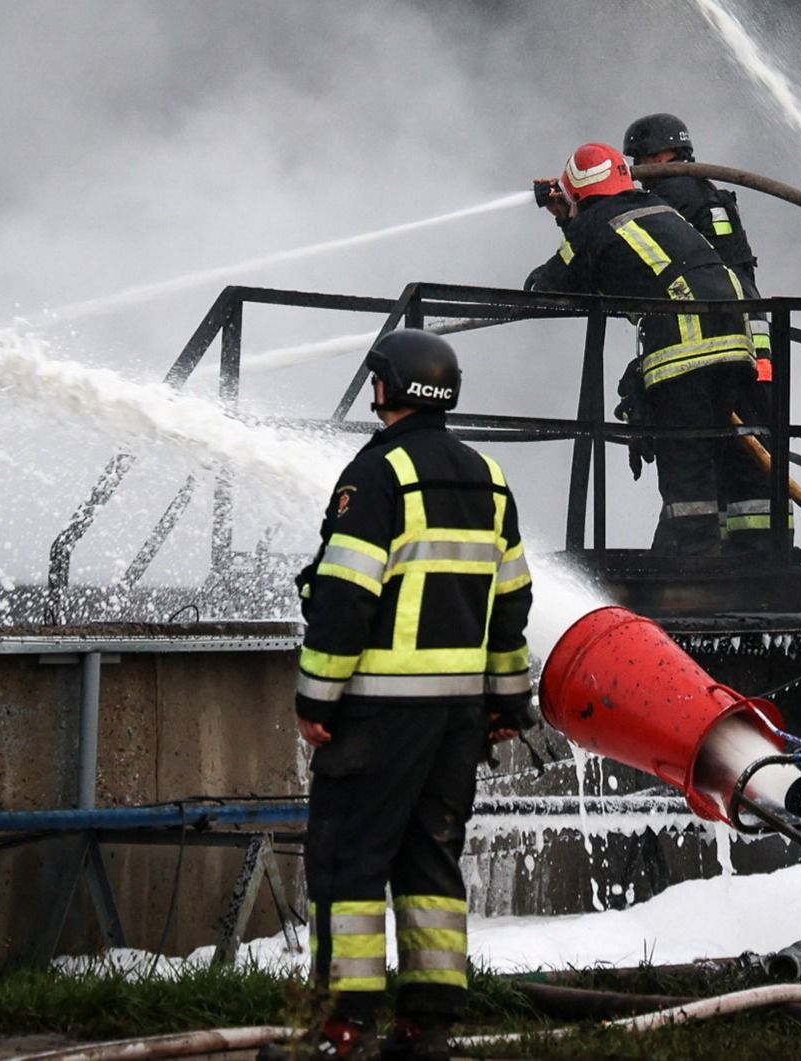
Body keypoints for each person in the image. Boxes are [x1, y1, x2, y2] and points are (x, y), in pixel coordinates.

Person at [278, 329, 533, 1060]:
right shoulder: (487, 475)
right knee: (431, 863)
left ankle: (341, 1030)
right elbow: (512, 599)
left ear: (386, 387)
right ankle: (427, 1029)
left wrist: (317, 698)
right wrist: (507, 700)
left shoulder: (379, 474)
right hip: (458, 718)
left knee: (347, 864)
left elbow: (344, 594)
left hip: (379, 713)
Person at [526, 141, 765, 556]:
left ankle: (696, 565)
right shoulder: (656, 208)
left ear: (578, 195)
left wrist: (567, 222)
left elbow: (545, 287)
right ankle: (746, 555)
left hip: (684, 347)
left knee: (686, 460)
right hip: (736, 342)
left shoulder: (591, 225)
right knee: (720, 450)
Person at [623, 113, 787, 549]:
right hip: (754, 348)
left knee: (696, 456)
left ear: (659, 156)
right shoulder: (712, 197)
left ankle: (694, 556)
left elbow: (641, 268)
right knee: (750, 456)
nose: (637, 171)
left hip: (708, 347)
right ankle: (762, 558)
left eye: (639, 159)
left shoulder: (666, 201)